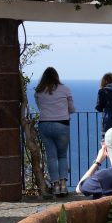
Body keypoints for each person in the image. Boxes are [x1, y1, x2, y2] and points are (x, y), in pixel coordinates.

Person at [34, 66, 75, 197]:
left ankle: (55, 186)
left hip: (44, 125)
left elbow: (40, 108)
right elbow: (72, 109)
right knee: (62, 156)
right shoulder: (65, 89)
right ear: (57, 77)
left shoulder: (39, 91)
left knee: (51, 157)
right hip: (62, 125)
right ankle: (63, 186)